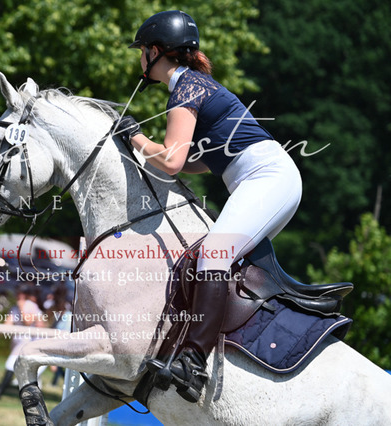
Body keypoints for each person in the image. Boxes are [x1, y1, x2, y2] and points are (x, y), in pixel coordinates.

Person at [117, 10, 302, 402]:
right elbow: (197, 161)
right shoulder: (194, 85)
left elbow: (171, 161)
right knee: (220, 261)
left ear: (154, 51)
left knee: (214, 255)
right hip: (265, 178)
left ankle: (193, 363)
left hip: (268, 178)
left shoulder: (186, 88)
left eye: (141, 51)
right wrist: (154, 152)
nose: (139, 58)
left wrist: (135, 137)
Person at [0, 284, 46, 399]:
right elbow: (8, 324)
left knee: (11, 364)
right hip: (18, 342)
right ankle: (29, 396)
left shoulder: (31, 306)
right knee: (22, 370)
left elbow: (27, 322)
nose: (18, 295)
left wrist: (22, 307)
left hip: (29, 343)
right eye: (18, 293)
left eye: (21, 293)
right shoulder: (14, 308)